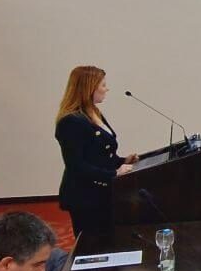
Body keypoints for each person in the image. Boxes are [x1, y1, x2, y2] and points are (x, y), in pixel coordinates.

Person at [54, 65, 138, 237]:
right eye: (103, 85)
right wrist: (114, 173)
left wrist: (122, 161)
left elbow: (100, 154)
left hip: (103, 192)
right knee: (93, 242)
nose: (107, 89)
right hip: (85, 196)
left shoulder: (93, 113)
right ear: (89, 88)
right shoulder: (71, 121)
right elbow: (76, 165)